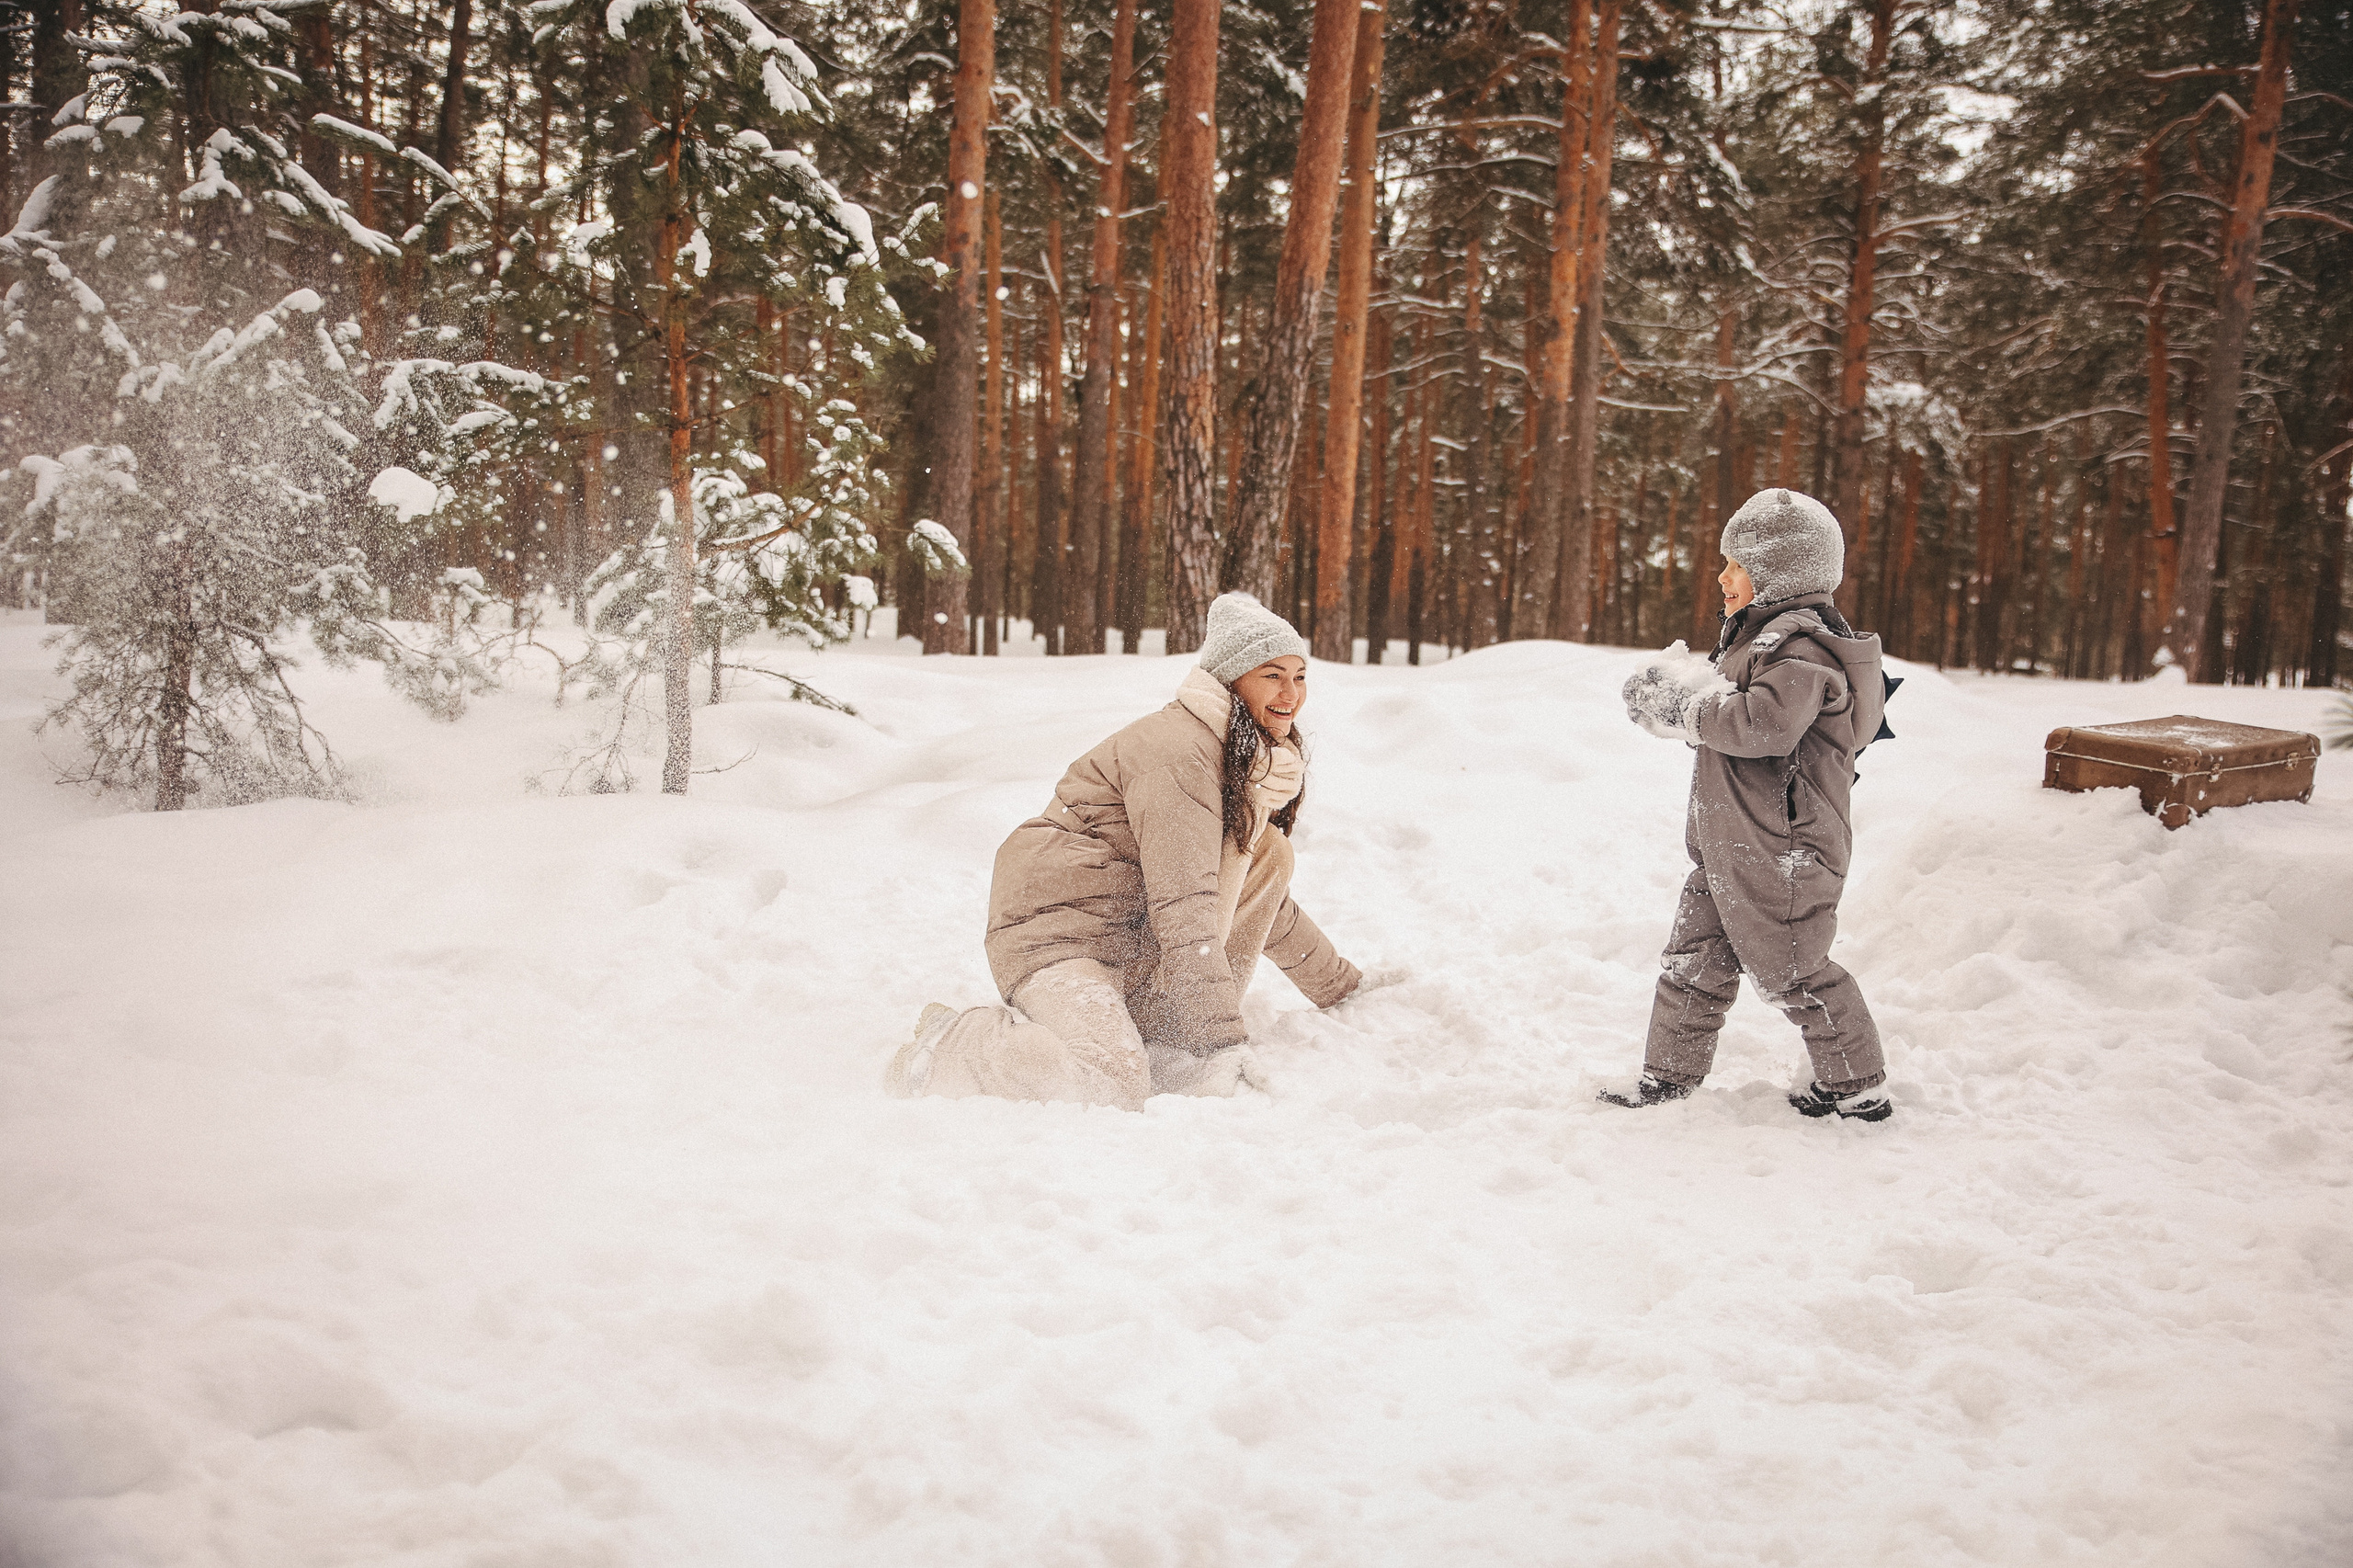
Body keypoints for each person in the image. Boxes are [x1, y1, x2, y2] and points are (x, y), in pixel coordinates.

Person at [885, 593, 1363, 1110]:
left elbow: (1257, 891)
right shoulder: (1179, 755)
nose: (1291, 693)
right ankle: (954, 1041)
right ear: (1231, 679)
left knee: (1266, 848)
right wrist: (1225, 1044)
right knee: (1110, 1081)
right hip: (1063, 935)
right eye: (1272, 675)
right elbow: (1187, 906)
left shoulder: (1238, 757)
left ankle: (1174, 1027)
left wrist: (1340, 986)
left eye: (1300, 675)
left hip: (1133, 936)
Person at [1607, 487, 1894, 1121]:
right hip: (1731, 846)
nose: (1723, 576)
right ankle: (1669, 1077)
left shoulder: (1803, 651)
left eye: (1737, 564)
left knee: (1793, 969)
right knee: (1694, 959)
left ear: (1779, 575)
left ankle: (1857, 1082)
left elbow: (1763, 726)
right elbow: (1728, 715)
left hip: (1784, 854)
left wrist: (1686, 708)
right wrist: (1674, 693)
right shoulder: (1757, 641)